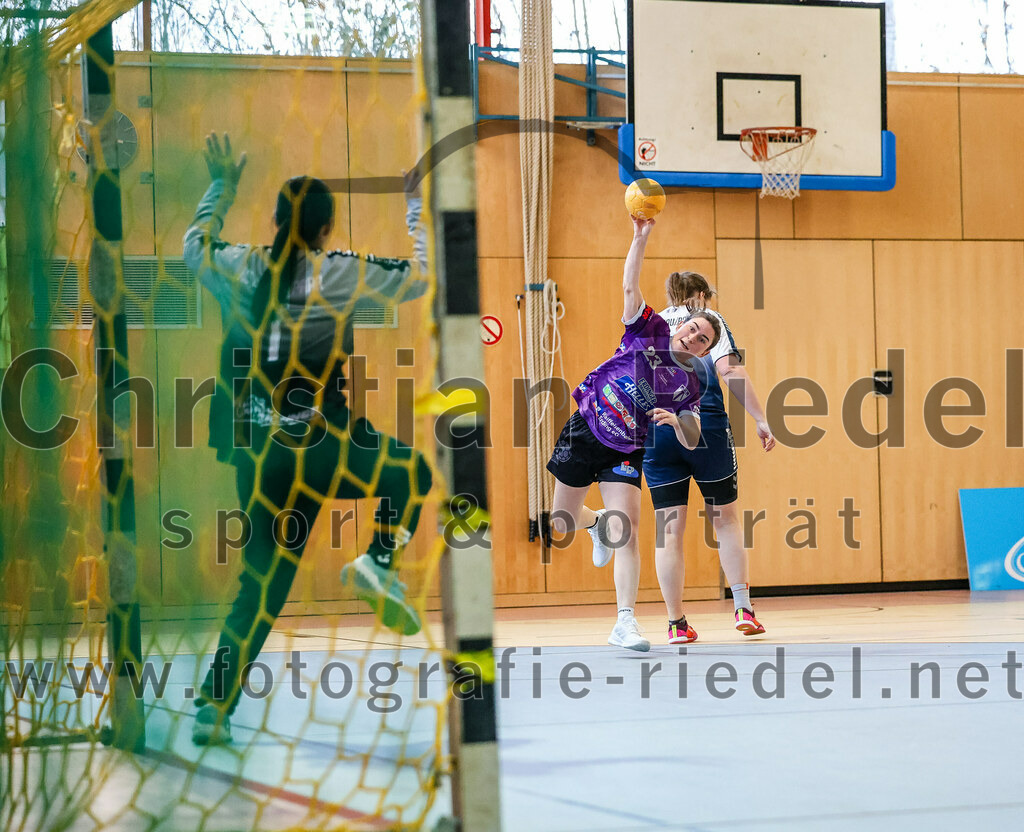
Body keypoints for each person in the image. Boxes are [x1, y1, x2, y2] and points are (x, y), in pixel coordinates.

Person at [183, 134, 432, 744]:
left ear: (272, 220)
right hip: (323, 450)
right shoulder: (338, 271)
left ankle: (213, 709)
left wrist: (220, 187)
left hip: (262, 459)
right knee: (411, 473)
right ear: (325, 231)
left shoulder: (238, 263)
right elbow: (422, 276)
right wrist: (414, 203)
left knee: (261, 588)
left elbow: (193, 248)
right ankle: (378, 560)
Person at [546, 216, 721, 652]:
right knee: (561, 522)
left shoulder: (691, 384)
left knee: (627, 528)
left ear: (703, 352)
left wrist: (678, 421)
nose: (694, 339)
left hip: (626, 448)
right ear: (681, 325)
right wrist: (640, 237)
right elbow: (630, 286)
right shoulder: (649, 329)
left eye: (703, 341)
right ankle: (595, 522)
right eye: (693, 330)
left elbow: (694, 438)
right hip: (586, 426)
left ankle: (626, 622)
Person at [643, 272, 776, 644]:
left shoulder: (652, 323)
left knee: (669, 531)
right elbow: (729, 369)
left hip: (657, 432)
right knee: (726, 521)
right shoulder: (710, 325)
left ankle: (676, 623)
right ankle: (743, 608)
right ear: (702, 296)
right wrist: (760, 419)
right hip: (706, 428)